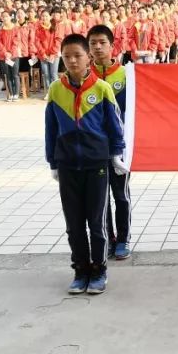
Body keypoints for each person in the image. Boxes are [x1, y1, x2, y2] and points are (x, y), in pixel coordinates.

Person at [45, 33, 128, 295]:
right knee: (74, 224)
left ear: (88, 58)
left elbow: (115, 127)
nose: (72, 61)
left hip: (97, 165)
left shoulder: (102, 89)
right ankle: (80, 270)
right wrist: (53, 162)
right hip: (68, 165)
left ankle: (99, 270)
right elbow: (50, 129)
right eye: (67, 56)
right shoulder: (56, 90)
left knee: (97, 222)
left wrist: (116, 155)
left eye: (77, 56)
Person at [87, 24, 133, 260]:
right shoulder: (84, 77)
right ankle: (109, 238)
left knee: (121, 194)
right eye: (93, 43)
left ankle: (123, 239)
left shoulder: (127, 75)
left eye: (102, 42)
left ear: (112, 46)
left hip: (120, 147)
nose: (97, 47)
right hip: (94, 148)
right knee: (99, 198)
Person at [0, 13, 22, 102]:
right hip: (4, 57)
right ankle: (10, 93)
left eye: (7, 16)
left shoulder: (15, 29)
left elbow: (16, 41)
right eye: (3, 17)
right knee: (8, 76)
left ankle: (16, 94)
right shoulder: (0, 30)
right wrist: (5, 52)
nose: (5, 18)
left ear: (10, 17)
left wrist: (10, 52)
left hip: (14, 55)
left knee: (15, 75)